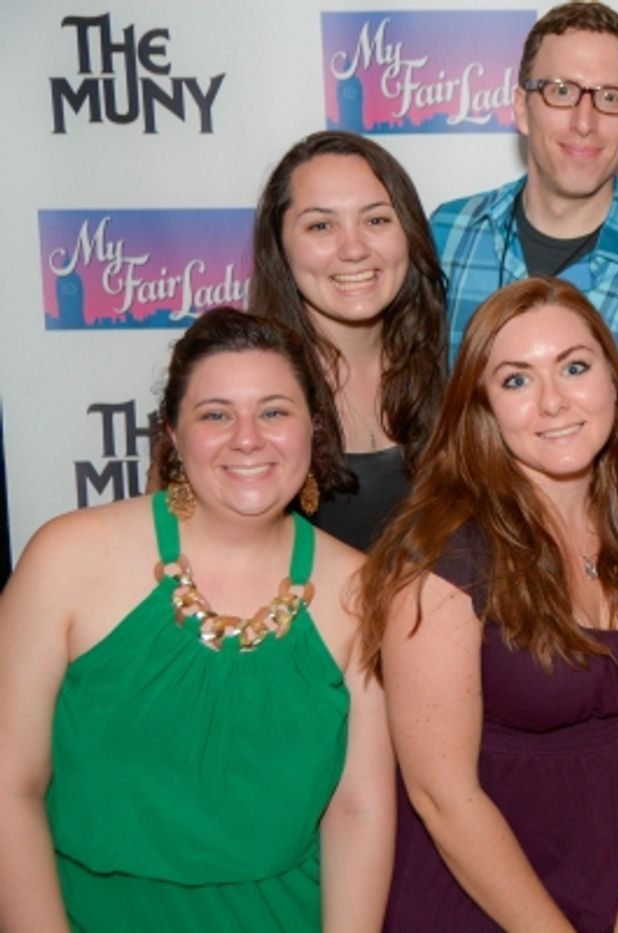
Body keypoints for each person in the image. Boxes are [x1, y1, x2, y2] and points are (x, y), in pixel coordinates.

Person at [0, 308, 394, 932]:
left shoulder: (361, 591)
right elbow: (8, 786)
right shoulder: (66, 559)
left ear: (313, 431)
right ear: (174, 438)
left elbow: (358, 811)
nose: (247, 438)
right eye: (215, 414)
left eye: (274, 411)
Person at [359, 277, 618, 931]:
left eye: (574, 367)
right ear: (483, 405)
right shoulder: (442, 555)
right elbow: (443, 794)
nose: (554, 401)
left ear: (611, 377)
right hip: (482, 897)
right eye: (517, 380)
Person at [431, 1, 618, 533]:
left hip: (600, 584)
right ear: (521, 107)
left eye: (610, 98)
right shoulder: (449, 235)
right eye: (561, 91)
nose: (584, 122)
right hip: (457, 562)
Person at [252, 129, 447, 552]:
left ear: (409, 233)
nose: (354, 248)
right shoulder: (235, 392)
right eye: (321, 226)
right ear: (280, 246)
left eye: (376, 220)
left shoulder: (452, 374)